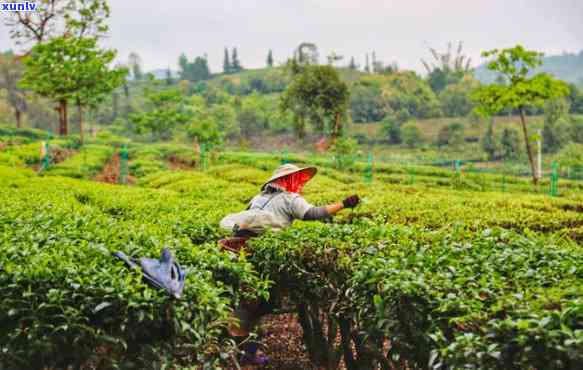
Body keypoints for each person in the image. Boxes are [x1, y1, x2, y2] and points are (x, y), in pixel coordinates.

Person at [219, 163, 360, 365]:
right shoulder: (289, 198)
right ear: (288, 180)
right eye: (297, 179)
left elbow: (242, 222)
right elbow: (313, 213)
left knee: (248, 299)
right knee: (263, 301)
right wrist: (344, 204)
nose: (300, 184)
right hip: (260, 256)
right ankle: (243, 347)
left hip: (239, 250)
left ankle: (242, 345)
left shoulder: (259, 198)